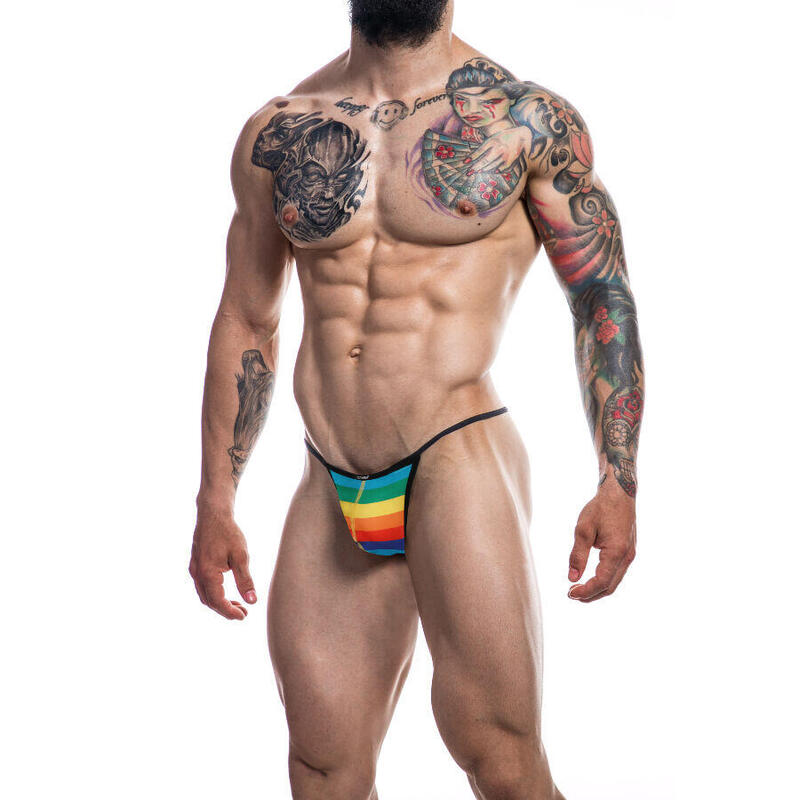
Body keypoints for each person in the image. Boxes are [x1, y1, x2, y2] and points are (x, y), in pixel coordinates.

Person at [189, 1, 644, 797]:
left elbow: (600, 297)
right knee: (321, 767)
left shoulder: (526, 120)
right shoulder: (281, 130)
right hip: (330, 475)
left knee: (499, 755)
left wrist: (618, 480)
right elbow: (249, 318)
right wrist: (216, 500)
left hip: (454, 454)